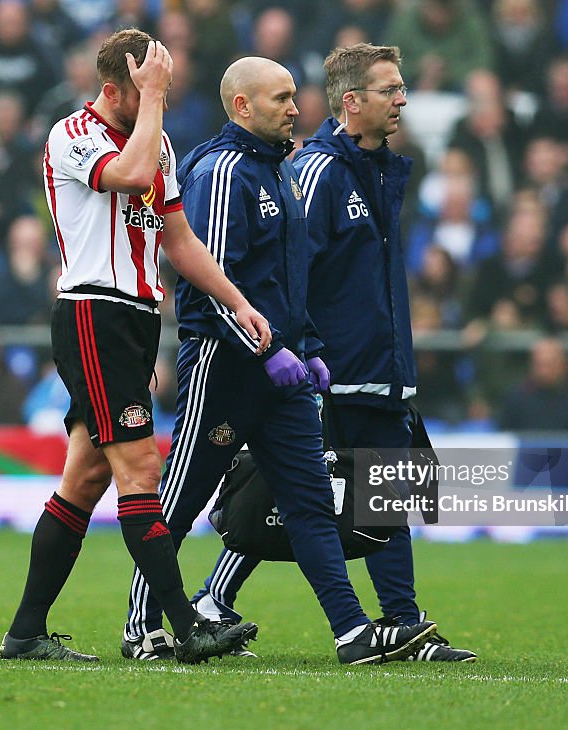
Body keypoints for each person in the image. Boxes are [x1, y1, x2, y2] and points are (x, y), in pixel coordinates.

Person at [121, 55, 438, 665]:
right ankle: (144, 628)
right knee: (182, 499)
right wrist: (266, 350)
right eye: (282, 98)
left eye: (295, 96)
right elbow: (210, 283)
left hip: (285, 371)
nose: (296, 108)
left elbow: (295, 284)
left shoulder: (281, 173)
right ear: (242, 105)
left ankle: (350, 632)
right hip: (226, 368)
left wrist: (309, 349)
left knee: (311, 504)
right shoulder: (220, 170)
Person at [186, 43, 476, 663]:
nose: (402, 100)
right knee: (294, 493)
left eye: (401, 89)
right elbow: (288, 274)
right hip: (328, 369)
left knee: (385, 493)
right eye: (390, 89)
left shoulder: (384, 169)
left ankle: (400, 619)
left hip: (381, 366)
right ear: (353, 101)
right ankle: (209, 599)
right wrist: (295, 351)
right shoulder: (313, 173)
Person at [0, 29, 268, 665]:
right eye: (151, 90)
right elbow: (129, 173)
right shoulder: (73, 134)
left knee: (86, 476)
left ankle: (25, 633)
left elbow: (178, 242)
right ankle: (184, 628)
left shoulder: (160, 140)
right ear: (115, 86)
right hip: (94, 311)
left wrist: (238, 300)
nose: (162, 102)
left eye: (166, 91)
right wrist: (150, 99)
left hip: (136, 319)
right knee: (141, 470)